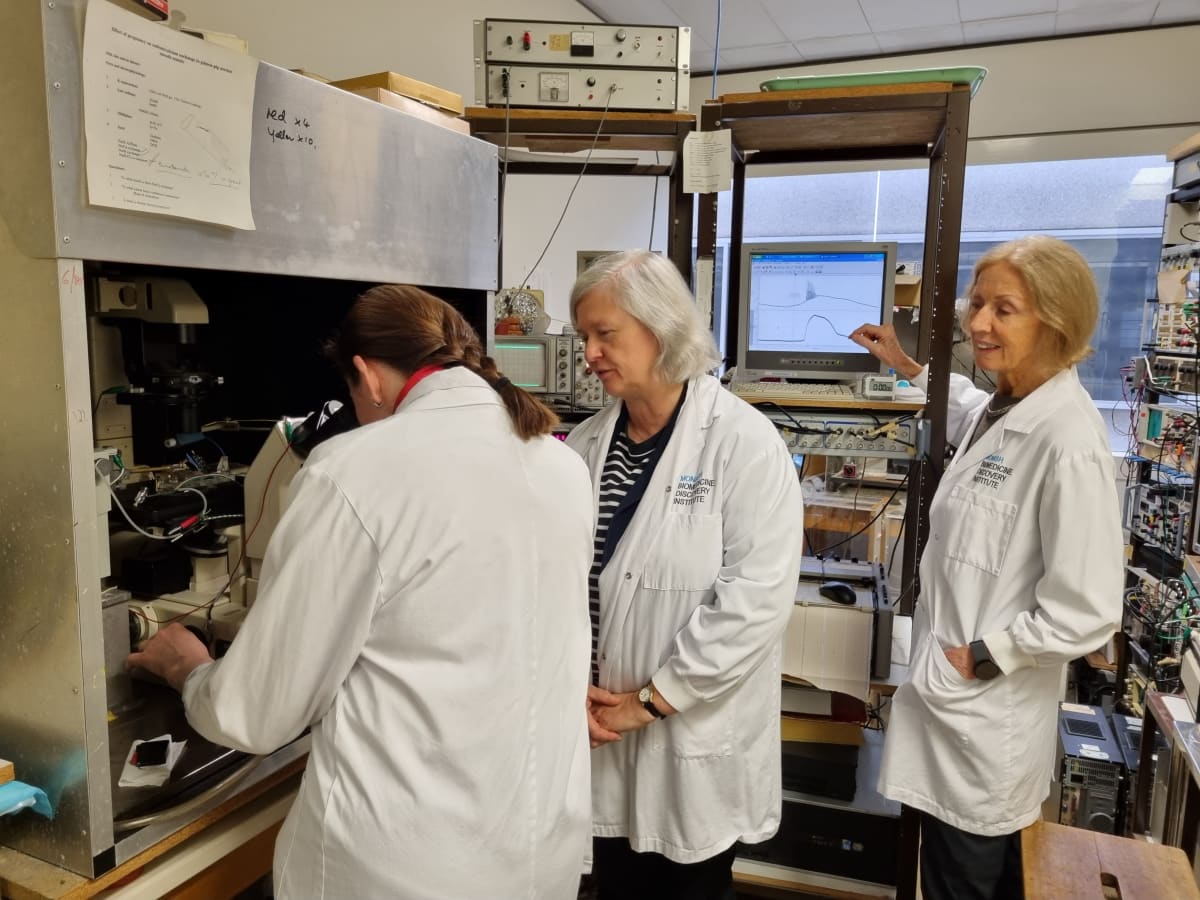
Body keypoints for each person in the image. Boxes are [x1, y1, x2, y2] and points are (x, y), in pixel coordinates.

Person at [128, 285, 594, 899]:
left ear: (367, 376)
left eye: (352, 393)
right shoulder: (561, 465)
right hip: (538, 854)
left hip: (404, 868)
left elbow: (258, 712)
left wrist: (189, 670)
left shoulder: (353, 469)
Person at [849, 235, 1123, 900]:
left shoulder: (1069, 442)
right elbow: (969, 410)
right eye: (978, 305)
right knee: (957, 873)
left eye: (1004, 309)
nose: (978, 324)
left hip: (984, 714)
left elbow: (1087, 610)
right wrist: (910, 367)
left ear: (1056, 321)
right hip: (956, 709)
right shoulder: (1009, 403)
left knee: (964, 882)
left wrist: (981, 656)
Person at [565, 250, 805, 900]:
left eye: (604, 334)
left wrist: (653, 701)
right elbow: (563, 583)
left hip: (687, 735)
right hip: (600, 732)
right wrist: (573, 691)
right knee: (613, 886)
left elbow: (755, 600)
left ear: (661, 326)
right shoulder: (586, 445)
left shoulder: (742, 444)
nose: (590, 353)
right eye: (584, 336)